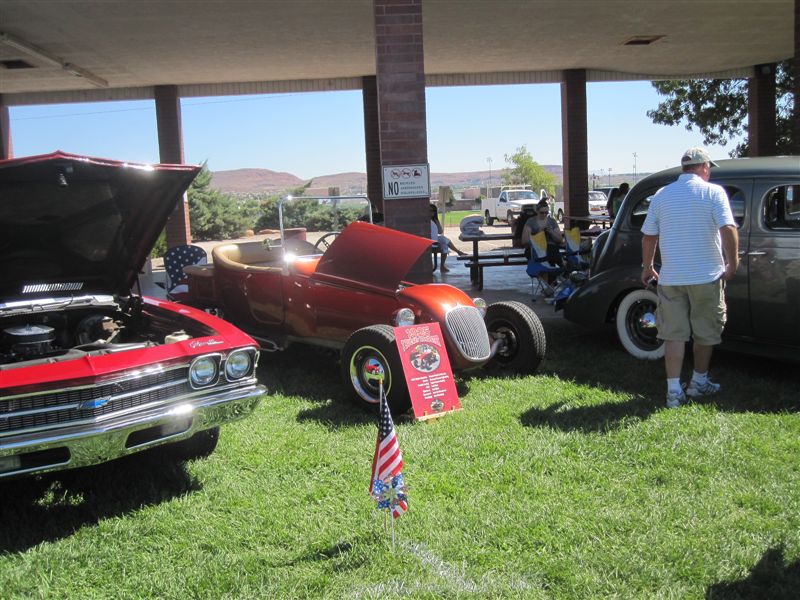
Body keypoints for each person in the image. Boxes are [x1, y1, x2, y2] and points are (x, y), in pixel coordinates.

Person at [640, 147, 738, 409]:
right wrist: (733, 262)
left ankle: (673, 391)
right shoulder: (713, 192)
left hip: (671, 278)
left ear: (685, 168)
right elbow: (728, 228)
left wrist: (648, 266)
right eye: (709, 168)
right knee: (705, 333)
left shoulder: (662, 195)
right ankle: (698, 382)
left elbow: (649, 235)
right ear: (704, 167)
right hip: (706, 276)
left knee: (674, 335)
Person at [521, 199, 564, 268]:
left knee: (552, 252)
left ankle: (560, 270)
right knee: (550, 255)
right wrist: (539, 233)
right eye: (542, 212)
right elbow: (524, 240)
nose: (544, 214)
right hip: (536, 248)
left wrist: (551, 232)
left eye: (546, 213)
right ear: (537, 211)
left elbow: (560, 239)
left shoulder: (552, 221)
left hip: (550, 247)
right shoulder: (531, 221)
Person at [430, 204, 465, 272]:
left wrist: (436, 220)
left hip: (435, 239)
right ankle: (458, 252)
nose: (432, 212)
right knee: (444, 241)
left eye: (433, 211)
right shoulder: (425, 221)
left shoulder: (434, 220)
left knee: (444, 242)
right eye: (430, 210)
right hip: (429, 241)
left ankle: (442, 266)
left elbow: (440, 231)